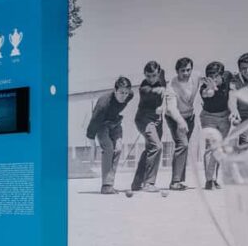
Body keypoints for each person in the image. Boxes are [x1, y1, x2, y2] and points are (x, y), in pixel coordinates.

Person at [131, 61, 190, 192]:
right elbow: (157, 91)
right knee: (156, 146)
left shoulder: (160, 76)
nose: (151, 79)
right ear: (144, 75)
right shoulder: (144, 88)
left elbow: (162, 77)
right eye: (148, 76)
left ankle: (136, 183)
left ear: (158, 73)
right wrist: (163, 97)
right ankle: (148, 184)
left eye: (154, 75)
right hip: (144, 120)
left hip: (157, 121)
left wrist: (162, 105)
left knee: (149, 150)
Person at [85, 77, 134, 194]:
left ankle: (110, 183)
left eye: (126, 93)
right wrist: (91, 140)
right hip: (101, 124)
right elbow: (93, 123)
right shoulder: (103, 104)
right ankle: (106, 186)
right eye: (121, 92)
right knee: (108, 148)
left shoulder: (130, 95)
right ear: (115, 90)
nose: (124, 96)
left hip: (115, 122)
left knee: (118, 149)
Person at [167, 57, 200, 189]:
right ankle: (175, 182)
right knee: (183, 144)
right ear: (177, 71)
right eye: (182, 71)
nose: (186, 73)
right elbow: (171, 108)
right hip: (175, 117)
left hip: (189, 116)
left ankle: (178, 180)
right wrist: (180, 121)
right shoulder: (171, 85)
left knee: (183, 147)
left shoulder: (197, 76)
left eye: (188, 70)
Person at [199, 62, 233, 190]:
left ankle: (215, 179)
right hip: (209, 117)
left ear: (221, 75)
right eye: (210, 76)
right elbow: (207, 94)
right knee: (210, 148)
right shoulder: (204, 87)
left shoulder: (228, 76)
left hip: (225, 117)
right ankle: (209, 180)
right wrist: (211, 88)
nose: (213, 79)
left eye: (215, 76)